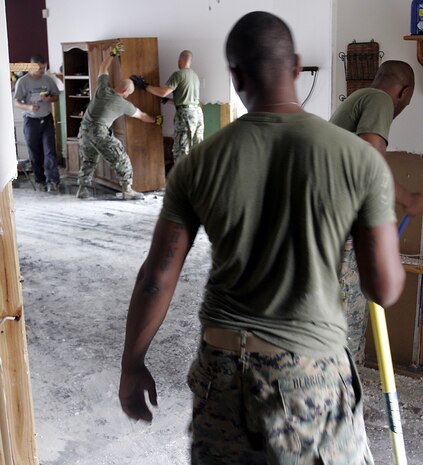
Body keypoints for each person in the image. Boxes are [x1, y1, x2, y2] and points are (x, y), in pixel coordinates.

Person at [119, 11, 405, 465]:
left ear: (235, 76)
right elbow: (384, 289)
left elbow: (157, 277)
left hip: (225, 370)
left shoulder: (198, 162)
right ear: (295, 67)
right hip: (315, 375)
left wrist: (131, 367)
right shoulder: (360, 160)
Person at [330, 60, 423, 364]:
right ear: (404, 91)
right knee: (346, 326)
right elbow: (369, 156)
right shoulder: (380, 99)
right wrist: (407, 198)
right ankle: (340, 403)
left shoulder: (359, 98)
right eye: (406, 102)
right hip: (341, 230)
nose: (402, 107)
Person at [76, 49, 163, 200]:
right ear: (124, 91)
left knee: (89, 160)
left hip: (83, 131)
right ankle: (127, 190)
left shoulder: (103, 89)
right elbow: (142, 116)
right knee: (121, 159)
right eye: (129, 94)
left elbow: (103, 68)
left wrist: (112, 54)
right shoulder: (123, 104)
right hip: (99, 132)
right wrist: (156, 120)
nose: (128, 96)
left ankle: (82, 189)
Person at [131, 50, 204, 163]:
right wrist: (168, 101)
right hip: (197, 113)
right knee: (196, 147)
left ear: (180, 60)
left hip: (186, 116)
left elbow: (163, 92)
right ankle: (197, 177)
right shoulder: (194, 76)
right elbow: (186, 100)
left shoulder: (178, 74)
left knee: (182, 149)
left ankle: (181, 179)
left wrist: (144, 86)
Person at [14, 55, 61, 192]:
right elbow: (17, 102)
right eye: (39, 68)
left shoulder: (47, 80)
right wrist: (29, 107)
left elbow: (56, 97)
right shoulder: (22, 82)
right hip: (31, 120)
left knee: (50, 151)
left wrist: (49, 99)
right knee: (35, 152)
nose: (42, 70)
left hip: (46, 119)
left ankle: (53, 181)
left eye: (43, 67)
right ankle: (40, 180)